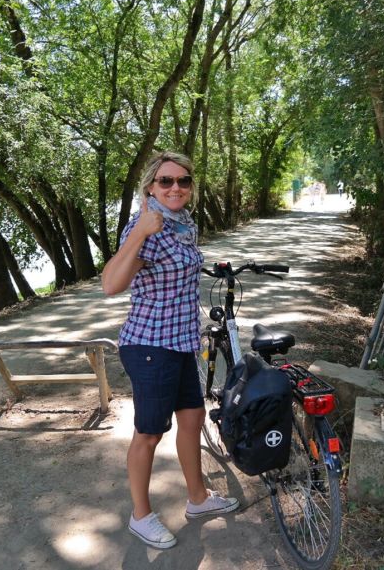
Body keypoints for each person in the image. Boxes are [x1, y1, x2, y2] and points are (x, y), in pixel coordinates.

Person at [102, 151, 239, 549]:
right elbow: (111, 284)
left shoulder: (183, 223)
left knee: (193, 417)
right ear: (150, 187)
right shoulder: (145, 225)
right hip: (149, 345)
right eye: (166, 181)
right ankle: (140, 516)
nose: (175, 187)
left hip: (181, 341)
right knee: (148, 433)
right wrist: (141, 231)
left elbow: (178, 269)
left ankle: (197, 499)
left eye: (183, 181)